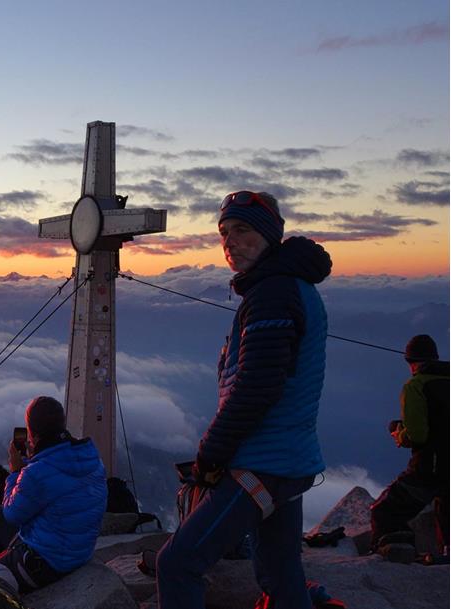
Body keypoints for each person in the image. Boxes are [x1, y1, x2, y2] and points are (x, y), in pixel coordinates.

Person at [156, 191, 332, 609]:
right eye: (224, 232)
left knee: (177, 564)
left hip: (264, 463)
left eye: (242, 229)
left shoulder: (272, 293)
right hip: (289, 459)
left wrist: (210, 456)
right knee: (278, 571)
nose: (230, 240)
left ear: (269, 235)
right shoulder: (286, 286)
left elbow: (256, 388)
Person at [0, 396, 107, 594]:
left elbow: (12, 514)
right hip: (79, 553)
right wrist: (32, 463)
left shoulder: (37, 473)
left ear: (33, 433)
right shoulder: (91, 457)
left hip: (44, 564)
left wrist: (15, 472)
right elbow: (56, 479)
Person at [369, 334, 449, 557]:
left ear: (410, 362)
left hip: (428, 469)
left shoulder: (415, 386)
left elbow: (418, 435)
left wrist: (399, 433)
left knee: (384, 511)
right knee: (445, 511)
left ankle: (395, 552)